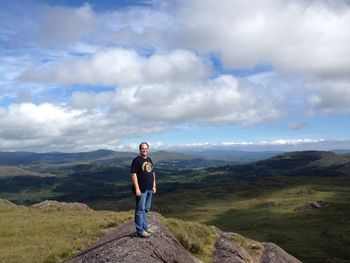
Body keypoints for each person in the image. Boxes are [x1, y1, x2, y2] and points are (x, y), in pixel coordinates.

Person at [130, 142, 156, 238]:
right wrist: (137, 188)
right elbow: (133, 174)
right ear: (139, 149)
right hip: (141, 189)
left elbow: (152, 173)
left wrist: (154, 185)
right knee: (140, 209)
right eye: (142, 149)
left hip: (149, 188)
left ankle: (145, 227)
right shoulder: (136, 160)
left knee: (146, 209)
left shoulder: (149, 159)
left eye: (146, 149)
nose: (144, 150)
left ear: (148, 150)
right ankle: (140, 230)